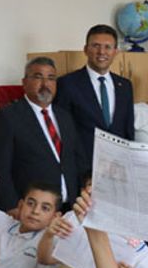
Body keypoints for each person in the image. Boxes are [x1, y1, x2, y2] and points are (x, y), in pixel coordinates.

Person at [0, 57, 84, 210]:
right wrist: (12, 208)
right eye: (38, 77)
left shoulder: (64, 116)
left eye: (51, 78)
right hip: (31, 211)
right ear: (24, 82)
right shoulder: (7, 117)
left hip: (69, 208)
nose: (45, 84)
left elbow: (77, 160)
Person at [55, 24, 134, 171]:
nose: (101, 52)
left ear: (115, 51)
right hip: (83, 168)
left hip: (118, 167)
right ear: (86, 49)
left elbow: (128, 130)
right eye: (96, 46)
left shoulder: (125, 86)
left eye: (107, 47)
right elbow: (63, 132)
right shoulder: (67, 84)